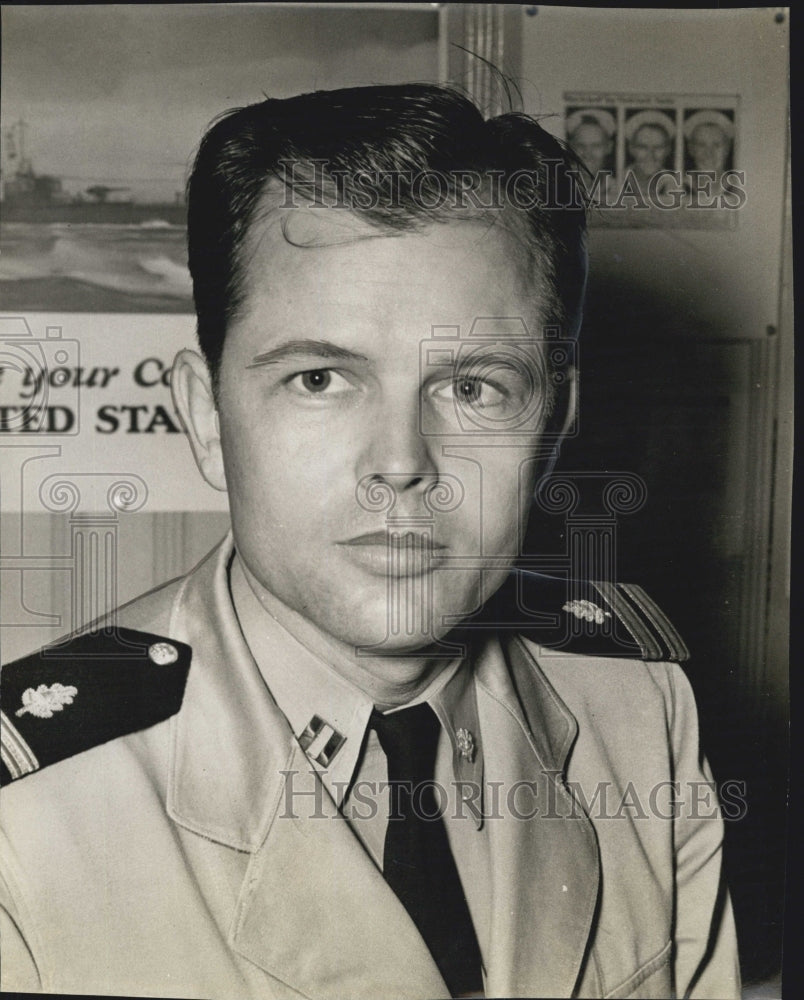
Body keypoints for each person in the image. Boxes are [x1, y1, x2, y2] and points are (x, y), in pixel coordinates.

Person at [0, 84, 740, 999]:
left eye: (472, 388)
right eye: (319, 379)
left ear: (553, 424)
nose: (400, 464)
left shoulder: (638, 709)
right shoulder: (28, 816)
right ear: (206, 417)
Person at [566, 108, 616, 204]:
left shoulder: (620, 187)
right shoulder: (557, 185)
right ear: (570, 148)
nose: (587, 154)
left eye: (596, 146)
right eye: (580, 145)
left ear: (609, 147)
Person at [624, 109, 676, 199]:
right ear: (631, 149)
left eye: (658, 147)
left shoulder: (677, 185)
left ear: (668, 150)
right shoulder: (616, 182)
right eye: (643, 147)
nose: (650, 155)